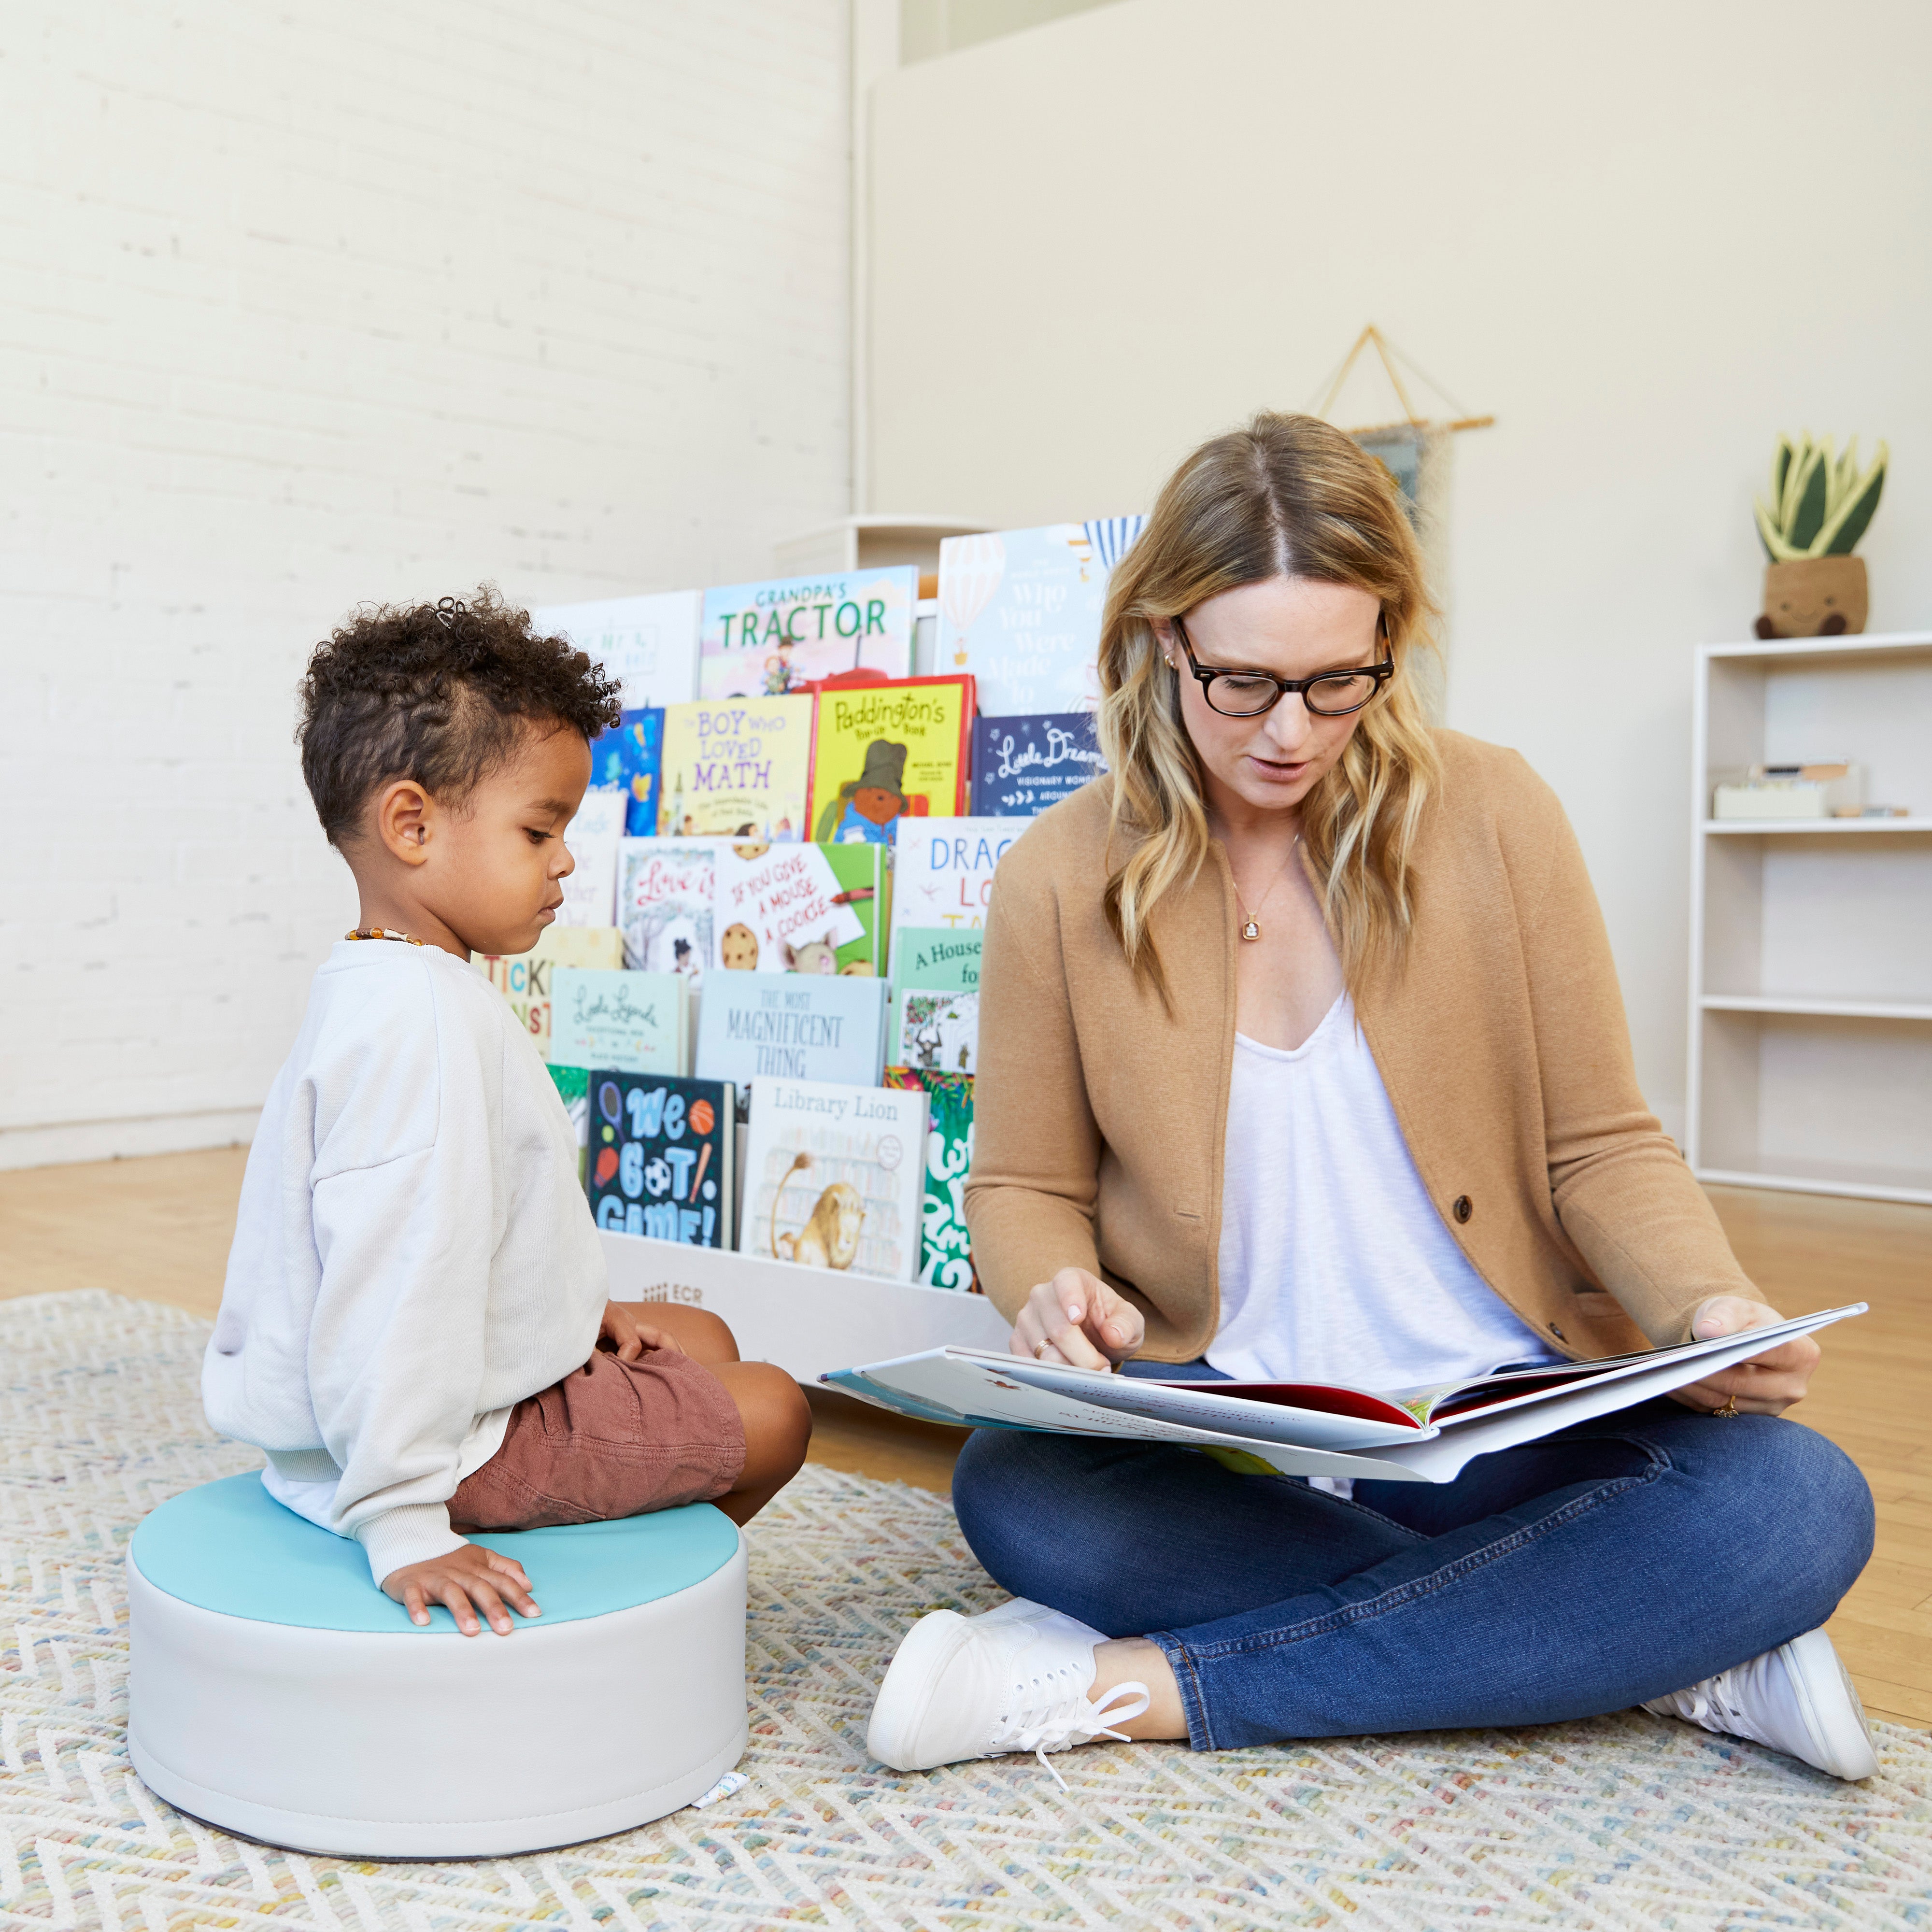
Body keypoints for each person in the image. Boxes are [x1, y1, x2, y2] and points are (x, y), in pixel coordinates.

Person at [866, 414, 1877, 1783]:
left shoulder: (1499, 813)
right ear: (1163, 638)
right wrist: (1051, 1287)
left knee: (1795, 1505)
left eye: (1337, 681)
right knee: (1016, 1486)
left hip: (1493, 1422)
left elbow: (1602, 1142)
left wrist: (1705, 1307)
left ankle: (1132, 1685)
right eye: (1242, 682)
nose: (1290, 732)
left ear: (1389, 640)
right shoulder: (1058, 873)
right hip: (1225, 1433)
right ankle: (1660, 1646)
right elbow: (1022, 1186)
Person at [204, 591, 810, 1636]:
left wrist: (565, 1311)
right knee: (778, 1409)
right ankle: (620, 1624)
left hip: (407, 1404)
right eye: (540, 829)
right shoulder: (425, 1028)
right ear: (411, 824)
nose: (565, 859)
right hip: (440, 1450)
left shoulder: (382, 981)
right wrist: (404, 1520)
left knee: (701, 1334)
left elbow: (468, 1237)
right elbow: (397, 1279)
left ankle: (617, 1533)